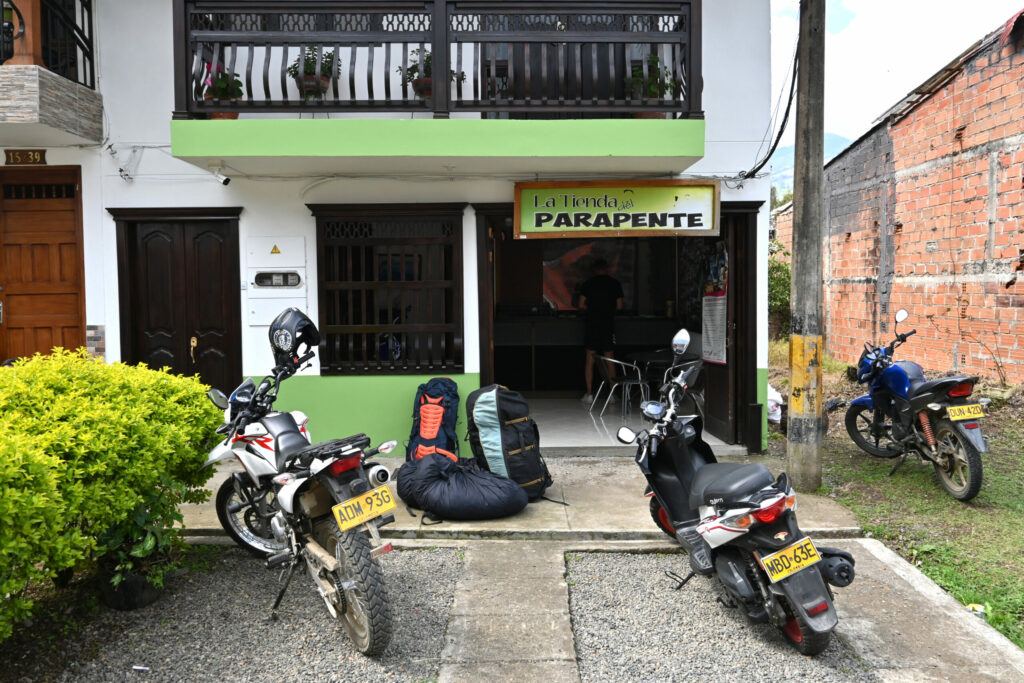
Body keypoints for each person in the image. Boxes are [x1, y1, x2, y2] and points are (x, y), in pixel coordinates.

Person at [578, 258, 624, 404]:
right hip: (607, 326)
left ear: (595, 270)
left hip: (592, 325)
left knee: (590, 359)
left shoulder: (588, 284)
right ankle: (612, 394)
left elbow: (581, 304)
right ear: (607, 269)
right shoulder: (614, 283)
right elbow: (620, 305)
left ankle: (590, 394)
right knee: (610, 359)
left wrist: (591, 309)